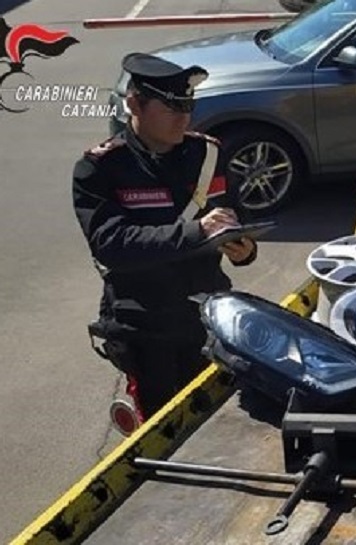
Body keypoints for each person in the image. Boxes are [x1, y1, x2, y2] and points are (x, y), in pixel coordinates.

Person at [73, 52, 258, 420]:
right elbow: (112, 244)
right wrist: (196, 230)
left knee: (218, 423)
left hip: (207, 317)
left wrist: (244, 249)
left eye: (187, 106)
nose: (183, 117)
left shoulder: (208, 154)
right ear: (134, 104)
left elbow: (235, 217)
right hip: (145, 329)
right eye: (171, 108)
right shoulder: (101, 168)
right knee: (161, 429)